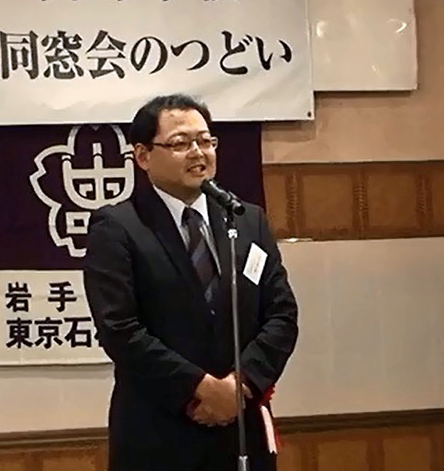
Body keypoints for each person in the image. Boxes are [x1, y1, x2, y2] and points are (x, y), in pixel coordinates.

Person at [83, 93, 298, 471]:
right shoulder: (118, 227)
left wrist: (239, 385)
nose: (198, 152)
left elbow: (281, 314)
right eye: (181, 143)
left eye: (205, 141)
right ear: (143, 156)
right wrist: (200, 389)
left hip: (241, 425)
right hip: (159, 430)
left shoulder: (246, 220)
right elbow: (119, 329)